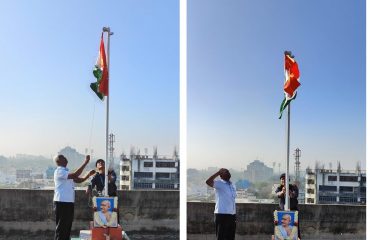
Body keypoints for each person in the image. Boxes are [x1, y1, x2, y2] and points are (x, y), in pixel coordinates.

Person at [53, 154, 95, 240]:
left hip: (68, 202)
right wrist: (85, 162)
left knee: (67, 225)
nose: (66, 158)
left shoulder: (66, 172)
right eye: (63, 158)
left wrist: (88, 175)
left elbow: (79, 180)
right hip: (61, 202)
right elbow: (75, 175)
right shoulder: (59, 171)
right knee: (62, 227)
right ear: (59, 161)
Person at [206, 168, 237, 240]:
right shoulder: (219, 183)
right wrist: (217, 173)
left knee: (231, 237)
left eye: (228, 171)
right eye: (225, 172)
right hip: (222, 214)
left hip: (232, 215)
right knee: (221, 237)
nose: (227, 173)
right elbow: (208, 182)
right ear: (221, 175)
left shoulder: (233, 185)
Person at [275, 173, 301, 239]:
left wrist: (289, 192)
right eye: (282, 179)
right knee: (281, 230)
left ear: (288, 180)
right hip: (282, 212)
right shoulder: (279, 188)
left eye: (285, 179)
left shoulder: (293, 187)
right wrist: (282, 192)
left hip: (293, 211)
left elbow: (295, 195)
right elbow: (277, 194)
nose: (283, 180)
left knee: (295, 229)